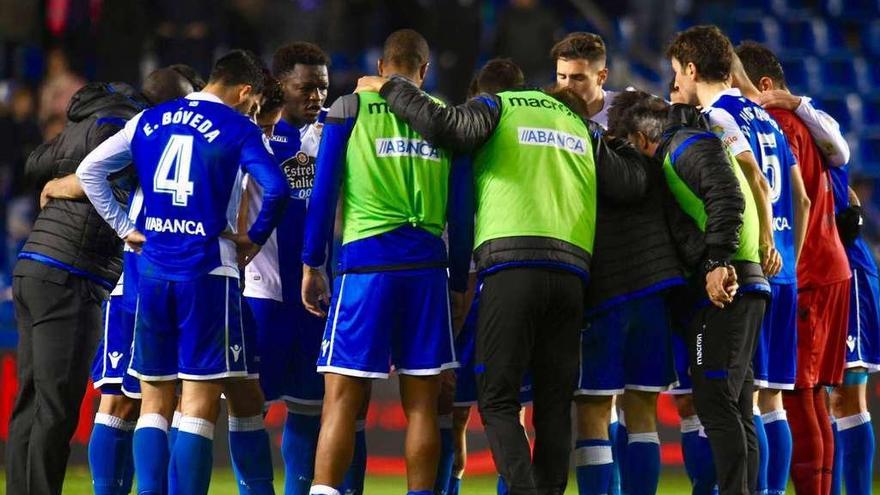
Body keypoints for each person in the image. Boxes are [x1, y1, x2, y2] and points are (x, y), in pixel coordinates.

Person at [358, 54, 651, 495]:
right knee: (554, 404)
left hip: (512, 265)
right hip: (572, 274)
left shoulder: (499, 107)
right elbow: (630, 183)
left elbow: (446, 127)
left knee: (497, 398)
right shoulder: (580, 126)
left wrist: (389, 88)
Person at [77, 49, 288, 495]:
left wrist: (125, 228)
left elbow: (90, 169)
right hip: (207, 273)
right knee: (196, 403)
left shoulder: (150, 120)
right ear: (245, 91)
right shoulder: (237, 126)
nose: (253, 111)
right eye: (253, 102)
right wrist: (254, 237)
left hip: (150, 271)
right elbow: (276, 186)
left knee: (152, 401)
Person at [6, 67, 196, 495]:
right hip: (71, 273)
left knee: (31, 402)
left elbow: (37, 164)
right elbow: (89, 177)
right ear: (168, 101)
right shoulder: (140, 130)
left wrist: (61, 179)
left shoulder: (88, 120)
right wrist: (74, 183)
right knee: (54, 407)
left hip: (34, 266)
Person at [301, 29, 465, 495]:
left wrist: (313, 263)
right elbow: (459, 210)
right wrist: (455, 280)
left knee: (342, 400)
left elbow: (324, 192)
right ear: (424, 70)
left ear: (380, 68)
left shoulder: (350, 108)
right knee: (423, 405)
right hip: (428, 271)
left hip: (366, 267)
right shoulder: (443, 117)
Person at [667, 25, 798, 494]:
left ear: (691, 69)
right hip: (780, 268)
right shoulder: (763, 116)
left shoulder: (718, 116)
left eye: (676, 71)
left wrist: (763, 241)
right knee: (760, 400)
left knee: (729, 399)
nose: (674, 80)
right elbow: (797, 197)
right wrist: (786, 253)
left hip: (751, 262)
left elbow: (757, 183)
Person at [620, 90, 770, 495]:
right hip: (741, 280)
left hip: (727, 282)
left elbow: (728, 195)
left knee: (716, 401)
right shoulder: (690, 144)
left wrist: (716, 261)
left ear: (638, 139)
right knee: (735, 404)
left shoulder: (686, 145)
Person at [735, 41, 853, 495]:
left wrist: (787, 254)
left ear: (763, 86)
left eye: (738, 84)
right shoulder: (808, 125)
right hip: (828, 267)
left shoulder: (778, 126)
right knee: (813, 398)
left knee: (797, 396)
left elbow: (794, 200)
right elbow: (839, 162)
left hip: (807, 273)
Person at [569, 89, 687, 495]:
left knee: (594, 411)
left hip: (606, 298)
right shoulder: (666, 163)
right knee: (642, 413)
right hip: (656, 296)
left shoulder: (594, 158)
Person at [237, 41, 334, 495]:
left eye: (323, 87)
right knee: (248, 406)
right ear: (279, 85)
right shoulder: (251, 133)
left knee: (310, 408)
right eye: (306, 87)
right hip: (263, 293)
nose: (316, 96)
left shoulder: (336, 131)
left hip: (317, 297)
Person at [442, 57, 530, 495]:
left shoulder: (463, 141)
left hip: (472, 283)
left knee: (456, 412)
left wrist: (460, 278)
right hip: (506, 280)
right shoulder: (524, 145)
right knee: (507, 411)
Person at [828, 168, 878, 495]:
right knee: (824, 400)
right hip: (819, 281)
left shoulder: (817, 138)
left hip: (851, 277)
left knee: (849, 397)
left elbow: (851, 200)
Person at [551, 32, 617, 128]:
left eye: (577, 78)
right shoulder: (547, 112)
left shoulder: (625, 114)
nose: (567, 85)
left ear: (602, 77)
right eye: (562, 76)